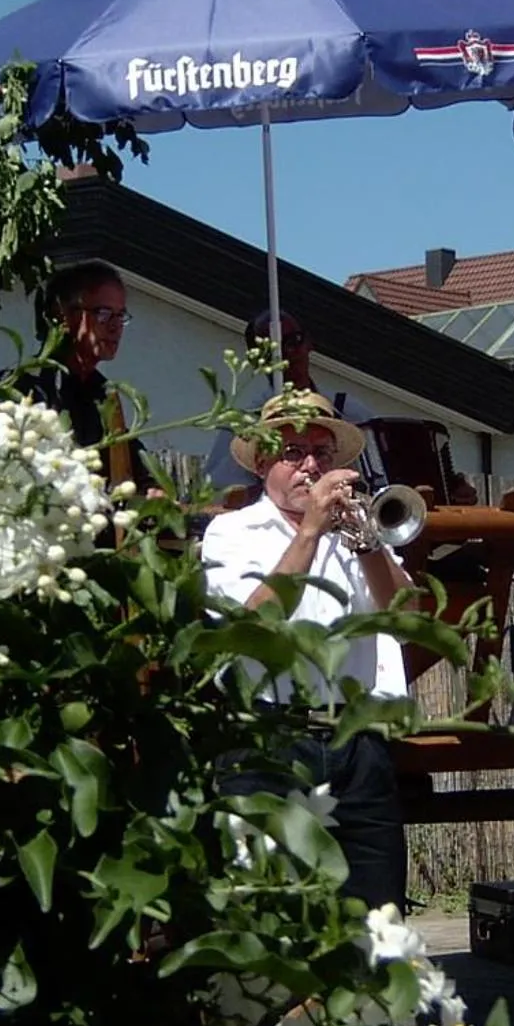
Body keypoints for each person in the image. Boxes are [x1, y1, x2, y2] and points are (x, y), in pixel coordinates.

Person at [200, 388, 413, 911]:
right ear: (263, 465)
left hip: (358, 740)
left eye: (320, 453)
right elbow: (248, 625)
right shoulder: (231, 532)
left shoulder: (359, 535)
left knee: (375, 907)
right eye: (293, 453)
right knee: (268, 908)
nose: (310, 466)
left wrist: (366, 546)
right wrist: (311, 533)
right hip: (270, 735)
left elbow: (408, 619)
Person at [203, 309, 385, 501]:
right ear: (255, 360)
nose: (286, 353)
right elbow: (219, 495)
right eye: (272, 349)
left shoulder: (350, 411)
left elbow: (384, 481)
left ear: (309, 343)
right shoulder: (243, 424)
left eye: (294, 341)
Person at [20, 262, 151, 490]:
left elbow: (138, 470)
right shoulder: (24, 388)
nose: (115, 326)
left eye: (120, 316)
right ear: (62, 315)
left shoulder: (105, 395)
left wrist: (153, 487)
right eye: (103, 313)